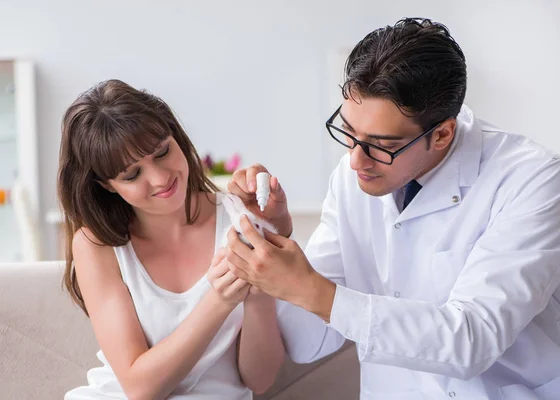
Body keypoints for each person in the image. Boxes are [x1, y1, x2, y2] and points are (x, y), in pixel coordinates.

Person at [219, 18, 560, 399]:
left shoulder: (532, 179)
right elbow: (308, 341)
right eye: (348, 132)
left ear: (443, 134)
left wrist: (312, 290)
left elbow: (471, 341)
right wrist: (272, 237)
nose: (355, 160)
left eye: (381, 144)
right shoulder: (353, 177)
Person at [58, 79, 283, 399]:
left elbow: (259, 381)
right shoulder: (97, 245)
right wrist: (220, 300)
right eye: (132, 174)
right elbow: (139, 388)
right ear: (107, 185)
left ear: (175, 136)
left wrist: (259, 295)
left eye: (162, 152)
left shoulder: (241, 221)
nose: (160, 178)